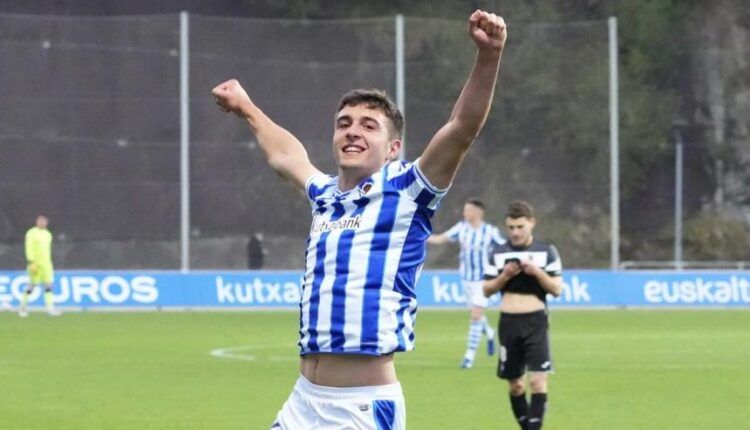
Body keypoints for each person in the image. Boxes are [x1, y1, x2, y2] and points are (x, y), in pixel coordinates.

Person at [212, 9, 507, 429]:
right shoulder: (325, 195)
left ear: (393, 148)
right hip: (302, 402)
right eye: (344, 123)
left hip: (362, 408)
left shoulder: (408, 191)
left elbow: (462, 128)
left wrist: (489, 55)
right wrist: (247, 108)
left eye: (369, 126)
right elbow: (285, 155)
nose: (353, 131)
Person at [483, 201, 562, 430]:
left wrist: (537, 272)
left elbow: (556, 289)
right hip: (508, 323)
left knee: (538, 381)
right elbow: (486, 289)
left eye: (520, 226)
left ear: (531, 223)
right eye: (511, 227)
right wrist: (504, 276)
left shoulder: (547, 252)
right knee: (516, 386)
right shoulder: (498, 253)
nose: (515, 232)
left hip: (536, 321)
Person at [427, 198, 505, 368]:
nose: (464, 213)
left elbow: (505, 247)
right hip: (466, 280)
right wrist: (420, 235)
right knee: (475, 314)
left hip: (483, 280)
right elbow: (440, 239)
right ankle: (490, 333)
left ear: (478, 212)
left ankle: (469, 357)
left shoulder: (490, 232)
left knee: (476, 315)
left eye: (467, 210)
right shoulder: (461, 228)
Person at [19, 214, 60, 317]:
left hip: (46, 264)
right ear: (37, 222)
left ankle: (50, 308)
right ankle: (23, 307)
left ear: (46, 222)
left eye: (44, 221)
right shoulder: (31, 233)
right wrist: (31, 261)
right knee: (32, 286)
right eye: (40, 221)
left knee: (48, 284)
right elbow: (29, 247)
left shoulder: (48, 234)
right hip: (35, 264)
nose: (42, 223)